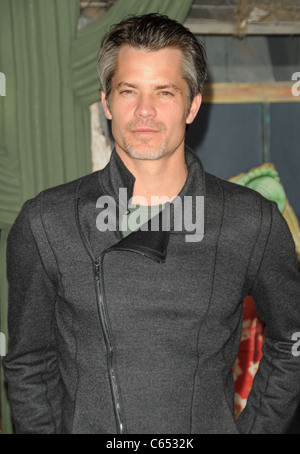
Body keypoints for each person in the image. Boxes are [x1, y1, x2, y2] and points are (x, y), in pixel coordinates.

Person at [3, 13, 300, 435]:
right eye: (129, 91)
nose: (145, 111)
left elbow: (293, 341)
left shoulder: (250, 220)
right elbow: (29, 363)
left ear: (193, 104)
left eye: (164, 92)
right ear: (106, 102)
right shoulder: (46, 221)